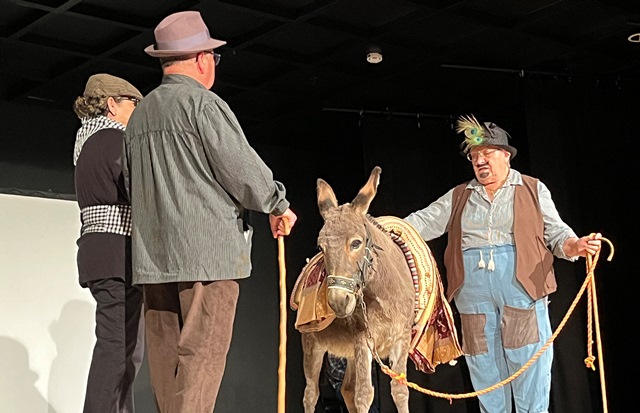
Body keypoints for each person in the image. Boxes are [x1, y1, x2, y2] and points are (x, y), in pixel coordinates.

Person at [122, 10, 298, 413]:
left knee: (166, 364)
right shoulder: (203, 105)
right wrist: (278, 203)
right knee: (202, 359)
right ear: (203, 59)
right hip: (208, 257)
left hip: (154, 259)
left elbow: (131, 186)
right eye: (214, 58)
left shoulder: (139, 116)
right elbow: (243, 170)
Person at [404, 114, 602, 413]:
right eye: (474, 157)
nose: (479, 161)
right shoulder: (460, 195)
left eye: (486, 154)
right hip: (472, 288)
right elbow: (422, 221)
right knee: (483, 364)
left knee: (527, 361)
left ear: (505, 155)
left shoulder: (532, 189)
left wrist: (575, 245)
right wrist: (387, 228)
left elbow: (556, 232)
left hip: (520, 283)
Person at [72, 73, 145, 413]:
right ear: (112, 104)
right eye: (133, 102)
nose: (137, 109)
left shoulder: (88, 141)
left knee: (128, 350)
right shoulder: (113, 140)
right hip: (116, 255)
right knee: (117, 349)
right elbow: (139, 193)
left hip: (106, 254)